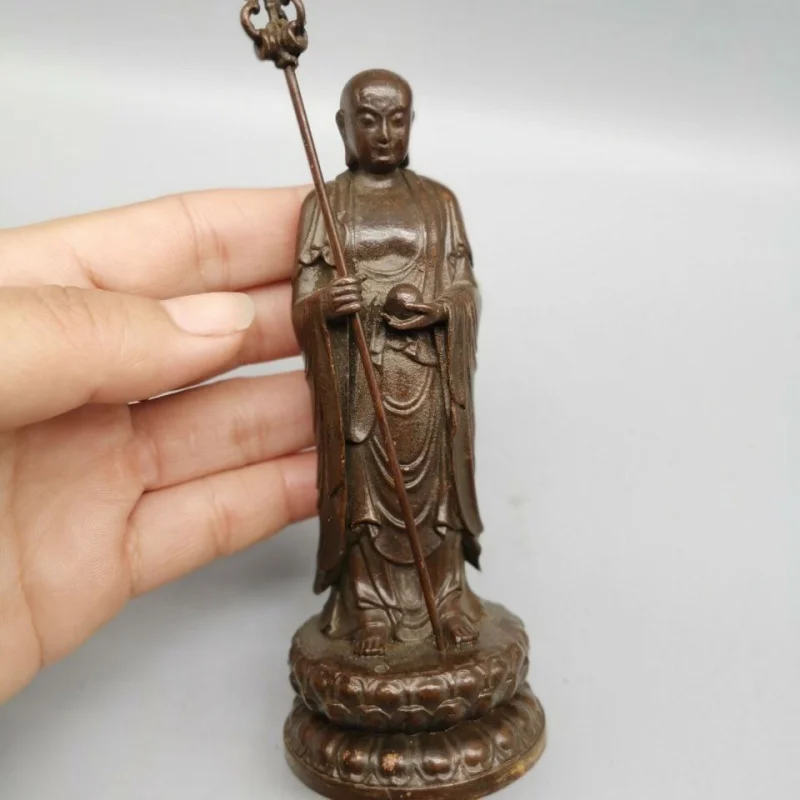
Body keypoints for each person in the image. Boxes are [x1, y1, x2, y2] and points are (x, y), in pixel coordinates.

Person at [0, 186, 318, 705]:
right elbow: (313, 298)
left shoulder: (431, 207)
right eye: (367, 131)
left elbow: (454, 294)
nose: (383, 141)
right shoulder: (330, 217)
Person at [293, 70, 484, 656]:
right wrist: (326, 305)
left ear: (411, 123)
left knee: (438, 493)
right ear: (342, 127)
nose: (383, 133)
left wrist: (443, 310)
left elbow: (465, 288)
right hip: (360, 379)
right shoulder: (326, 204)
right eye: (368, 119)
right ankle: (369, 608)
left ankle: (444, 599)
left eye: (396, 119)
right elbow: (303, 301)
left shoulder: (439, 203)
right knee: (365, 497)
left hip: (427, 374)